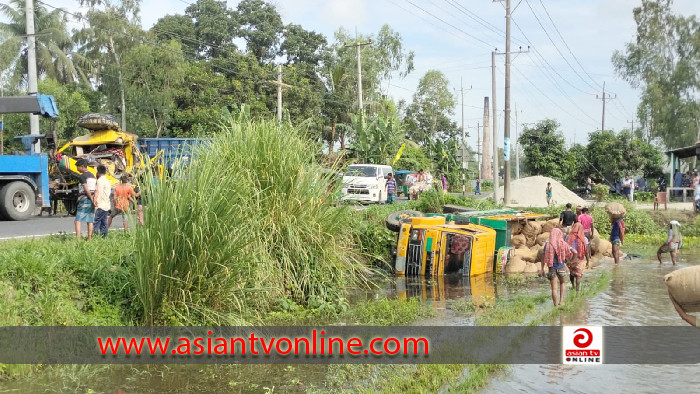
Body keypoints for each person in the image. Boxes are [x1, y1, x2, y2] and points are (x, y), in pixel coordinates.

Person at [539, 228, 574, 306]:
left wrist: (542, 269)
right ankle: (561, 302)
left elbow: (543, 258)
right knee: (562, 283)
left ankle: (555, 305)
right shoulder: (564, 244)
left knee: (554, 288)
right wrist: (568, 262)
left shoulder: (547, 245)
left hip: (552, 268)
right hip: (561, 267)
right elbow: (569, 254)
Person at [74, 159, 96, 241]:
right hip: (92, 197)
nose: (77, 169)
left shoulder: (82, 176)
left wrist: (91, 198)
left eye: (78, 167)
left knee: (77, 220)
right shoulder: (92, 175)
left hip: (85, 198)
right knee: (90, 219)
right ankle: (89, 238)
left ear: (82, 167)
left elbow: (86, 190)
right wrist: (94, 199)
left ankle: (78, 238)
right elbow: (95, 188)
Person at [565, 222, 587, 292]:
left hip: (570, 257)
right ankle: (577, 290)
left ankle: (573, 286)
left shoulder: (568, 237)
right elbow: (587, 249)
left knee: (571, 272)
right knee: (578, 274)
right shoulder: (584, 238)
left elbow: (566, 246)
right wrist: (588, 260)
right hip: (579, 258)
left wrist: (566, 259)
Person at [93, 165, 112, 238]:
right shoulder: (107, 180)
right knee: (104, 223)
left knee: (96, 222)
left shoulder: (100, 180)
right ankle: (104, 237)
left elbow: (98, 192)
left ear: (98, 172)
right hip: (106, 205)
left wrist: (95, 201)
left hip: (101, 205)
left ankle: (95, 236)